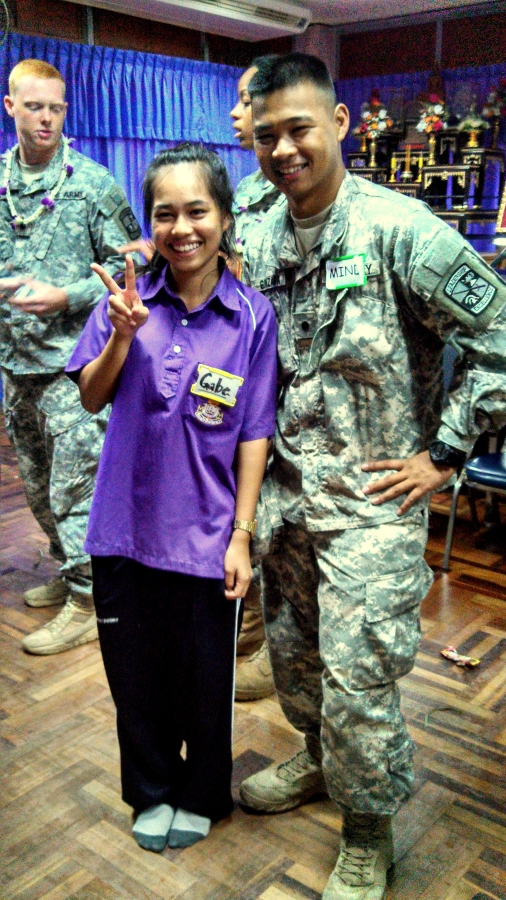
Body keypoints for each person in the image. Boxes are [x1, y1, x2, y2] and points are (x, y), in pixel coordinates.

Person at [238, 53, 506, 900]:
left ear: (341, 125)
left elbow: (501, 339)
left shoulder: (402, 230)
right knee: (296, 663)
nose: (283, 148)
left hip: (372, 506)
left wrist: (445, 454)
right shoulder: (257, 236)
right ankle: (317, 764)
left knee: (360, 684)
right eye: (268, 133)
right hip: (288, 502)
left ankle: (368, 831)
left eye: (299, 129)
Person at [65, 143, 278, 853]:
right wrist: (123, 337)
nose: (181, 227)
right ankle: (151, 790)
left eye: (197, 211)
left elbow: (253, 433)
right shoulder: (124, 300)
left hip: (208, 537)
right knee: (135, 679)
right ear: (149, 222)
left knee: (203, 683)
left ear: (223, 217)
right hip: (122, 531)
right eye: (165, 213)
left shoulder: (251, 317)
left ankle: (201, 794)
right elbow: (94, 395)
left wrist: (242, 534)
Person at [0, 59, 141, 654]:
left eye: (57, 107)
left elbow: (137, 258)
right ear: (11, 108)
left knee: (76, 490)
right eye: (35, 106)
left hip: (76, 367)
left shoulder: (92, 183)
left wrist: (70, 295)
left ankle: (90, 600)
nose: (47, 118)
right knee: (36, 486)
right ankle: (67, 569)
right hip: (16, 365)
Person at [230, 56, 284, 701]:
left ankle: (272, 643)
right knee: (251, 514)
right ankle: (248, 634)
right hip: (248, 377)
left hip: (303, 391)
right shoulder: (244, 195)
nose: (238, 114)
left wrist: (443, 451)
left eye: (248, 100)